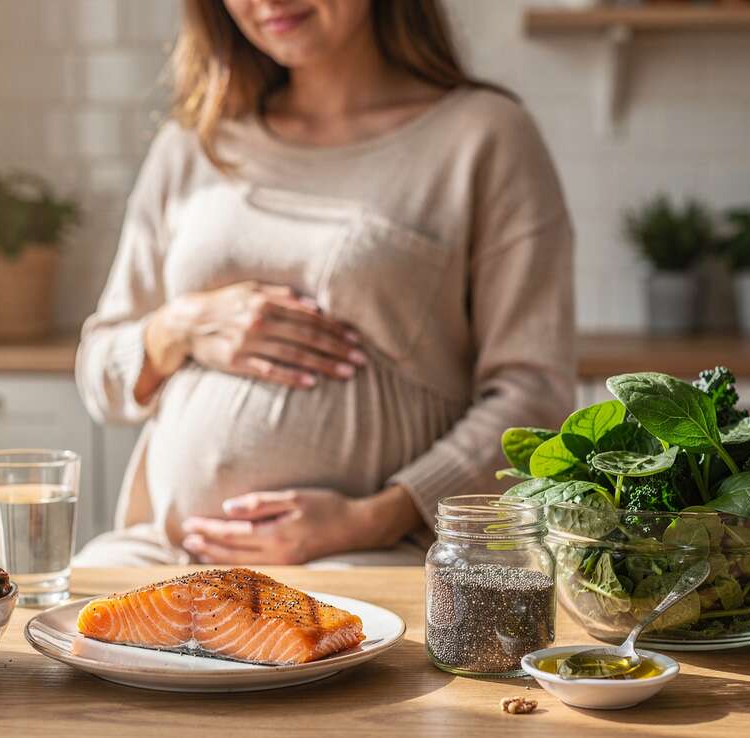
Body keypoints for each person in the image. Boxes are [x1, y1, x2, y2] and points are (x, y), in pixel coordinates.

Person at [74, 0, 575, 567]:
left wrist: (375, 518)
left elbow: (534, 396)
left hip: (384, 550)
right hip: (169, 551)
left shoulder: (483, 135)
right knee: (48, 636)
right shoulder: (193, 142)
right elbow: (100, 372)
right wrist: (181, 327)